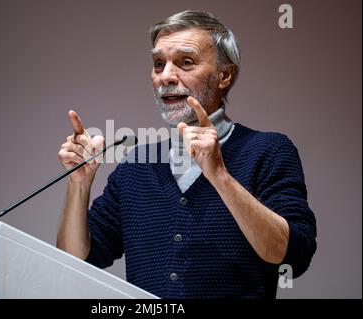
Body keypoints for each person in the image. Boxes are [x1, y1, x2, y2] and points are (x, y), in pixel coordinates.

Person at [56, 10, 317, 298]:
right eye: (158, 64)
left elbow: (292, 257)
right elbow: (73, 263)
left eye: (186, 62)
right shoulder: (135, 167)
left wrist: (219, 176)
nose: (166, 76)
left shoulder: (269, 151)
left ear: (224, 75)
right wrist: (78, 184)